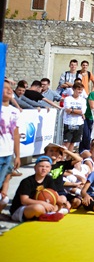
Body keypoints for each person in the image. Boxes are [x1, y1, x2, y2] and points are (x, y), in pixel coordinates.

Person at [9, 156, 68, 222]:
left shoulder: (49, 179)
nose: (44, 169)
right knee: (38, 208)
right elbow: (24, 200)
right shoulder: (27, 181)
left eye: (47, 167)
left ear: (50, 169)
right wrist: (43, 203)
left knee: (62, 198)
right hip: (22, 208)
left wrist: (64, 203)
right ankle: (48, 214)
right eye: (41, 166)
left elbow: (55, 195)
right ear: (35, 168)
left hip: (43, 205)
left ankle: (47, 214)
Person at [1, 80, 22, 209]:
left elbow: (16, 134)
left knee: (4, 188)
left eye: (11, 88)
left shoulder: (15, 111)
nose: (10, 90)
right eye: (5, 88)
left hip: (8, 154)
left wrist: (17, 155)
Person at [61, 81, 88, 152]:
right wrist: (78, 112)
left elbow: (83, 111)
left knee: (73, 143)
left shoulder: (83, 100)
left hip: (79, 123)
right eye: (78, 89)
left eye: (81, 90)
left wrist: (73, 110)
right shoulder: (68, 99)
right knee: (67, 142)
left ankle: (68, 158)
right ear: (74, 89)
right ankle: (62, 157)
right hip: (69, 122)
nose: (80, 91)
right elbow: (67, 109)